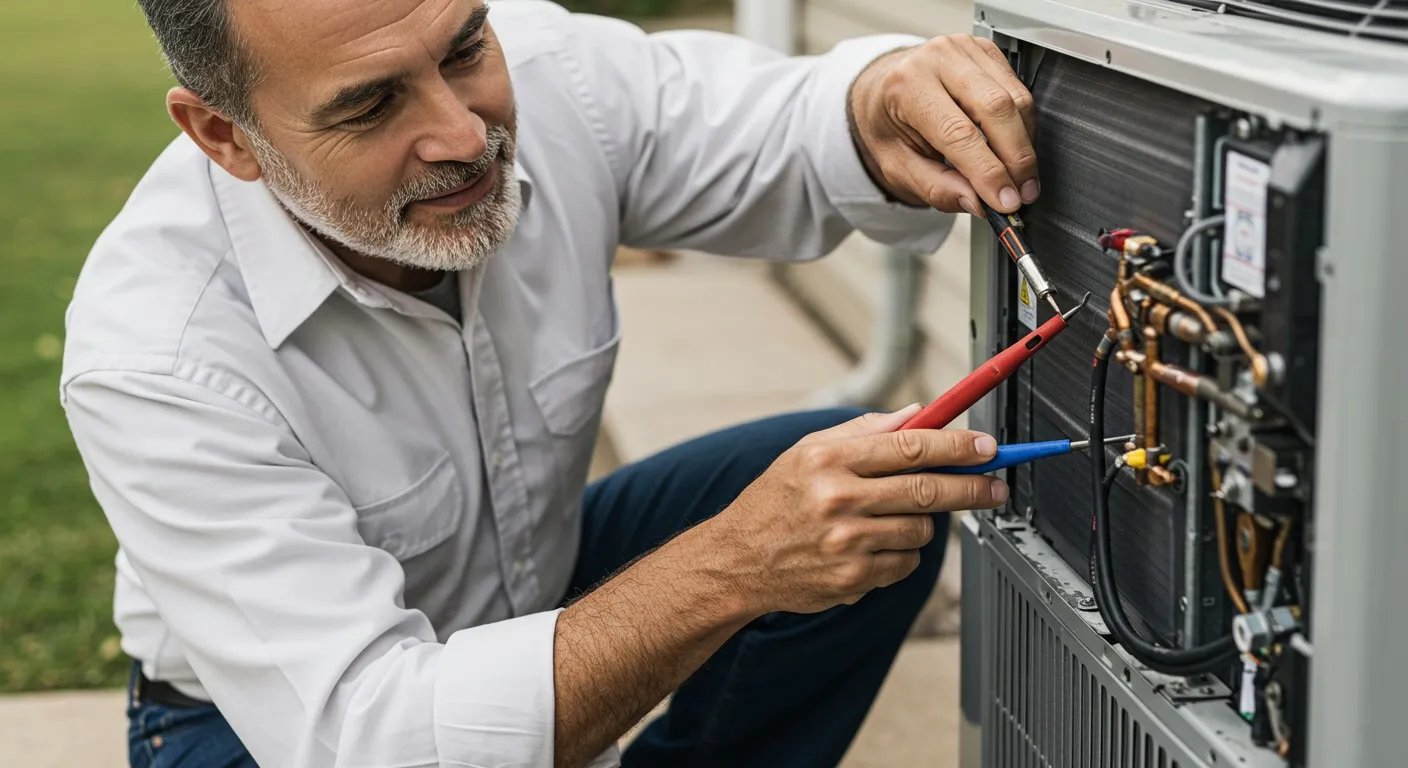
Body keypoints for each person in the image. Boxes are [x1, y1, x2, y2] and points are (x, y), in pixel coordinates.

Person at [60, 1, 1040, 766]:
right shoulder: (157, 354)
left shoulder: (553, 72)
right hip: (262, 733)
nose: (461, 132)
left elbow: (798, 127)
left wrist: (882, 96)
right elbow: (373, 743)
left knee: (880, 494)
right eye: (368, 104)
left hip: (524, 579)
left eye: (461, 48)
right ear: (224, 136)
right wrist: (737, 566)